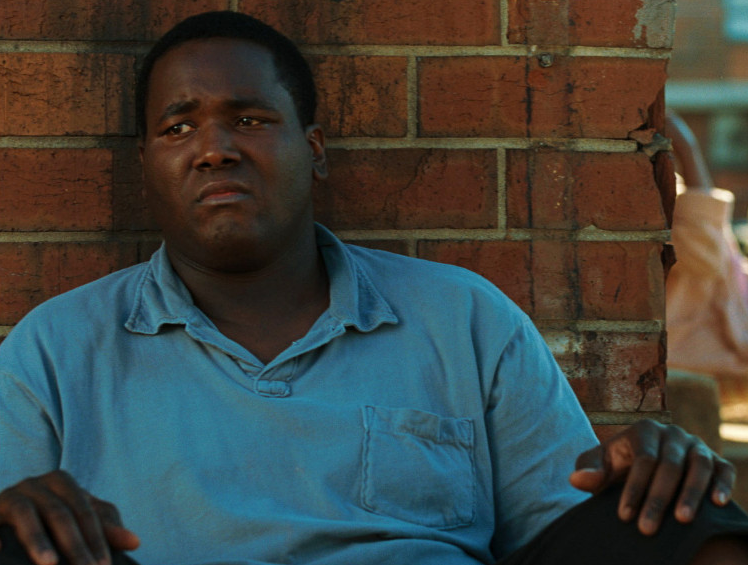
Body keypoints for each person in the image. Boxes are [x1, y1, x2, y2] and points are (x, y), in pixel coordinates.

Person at [0, 11, 746, 565]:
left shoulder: (461, 318)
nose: (215, 149)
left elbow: (570, 526)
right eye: (178, 129)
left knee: (683, 517)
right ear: (146, 166)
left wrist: (650, 479)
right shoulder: (59, 349)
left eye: (249, 119)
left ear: (314, 149)